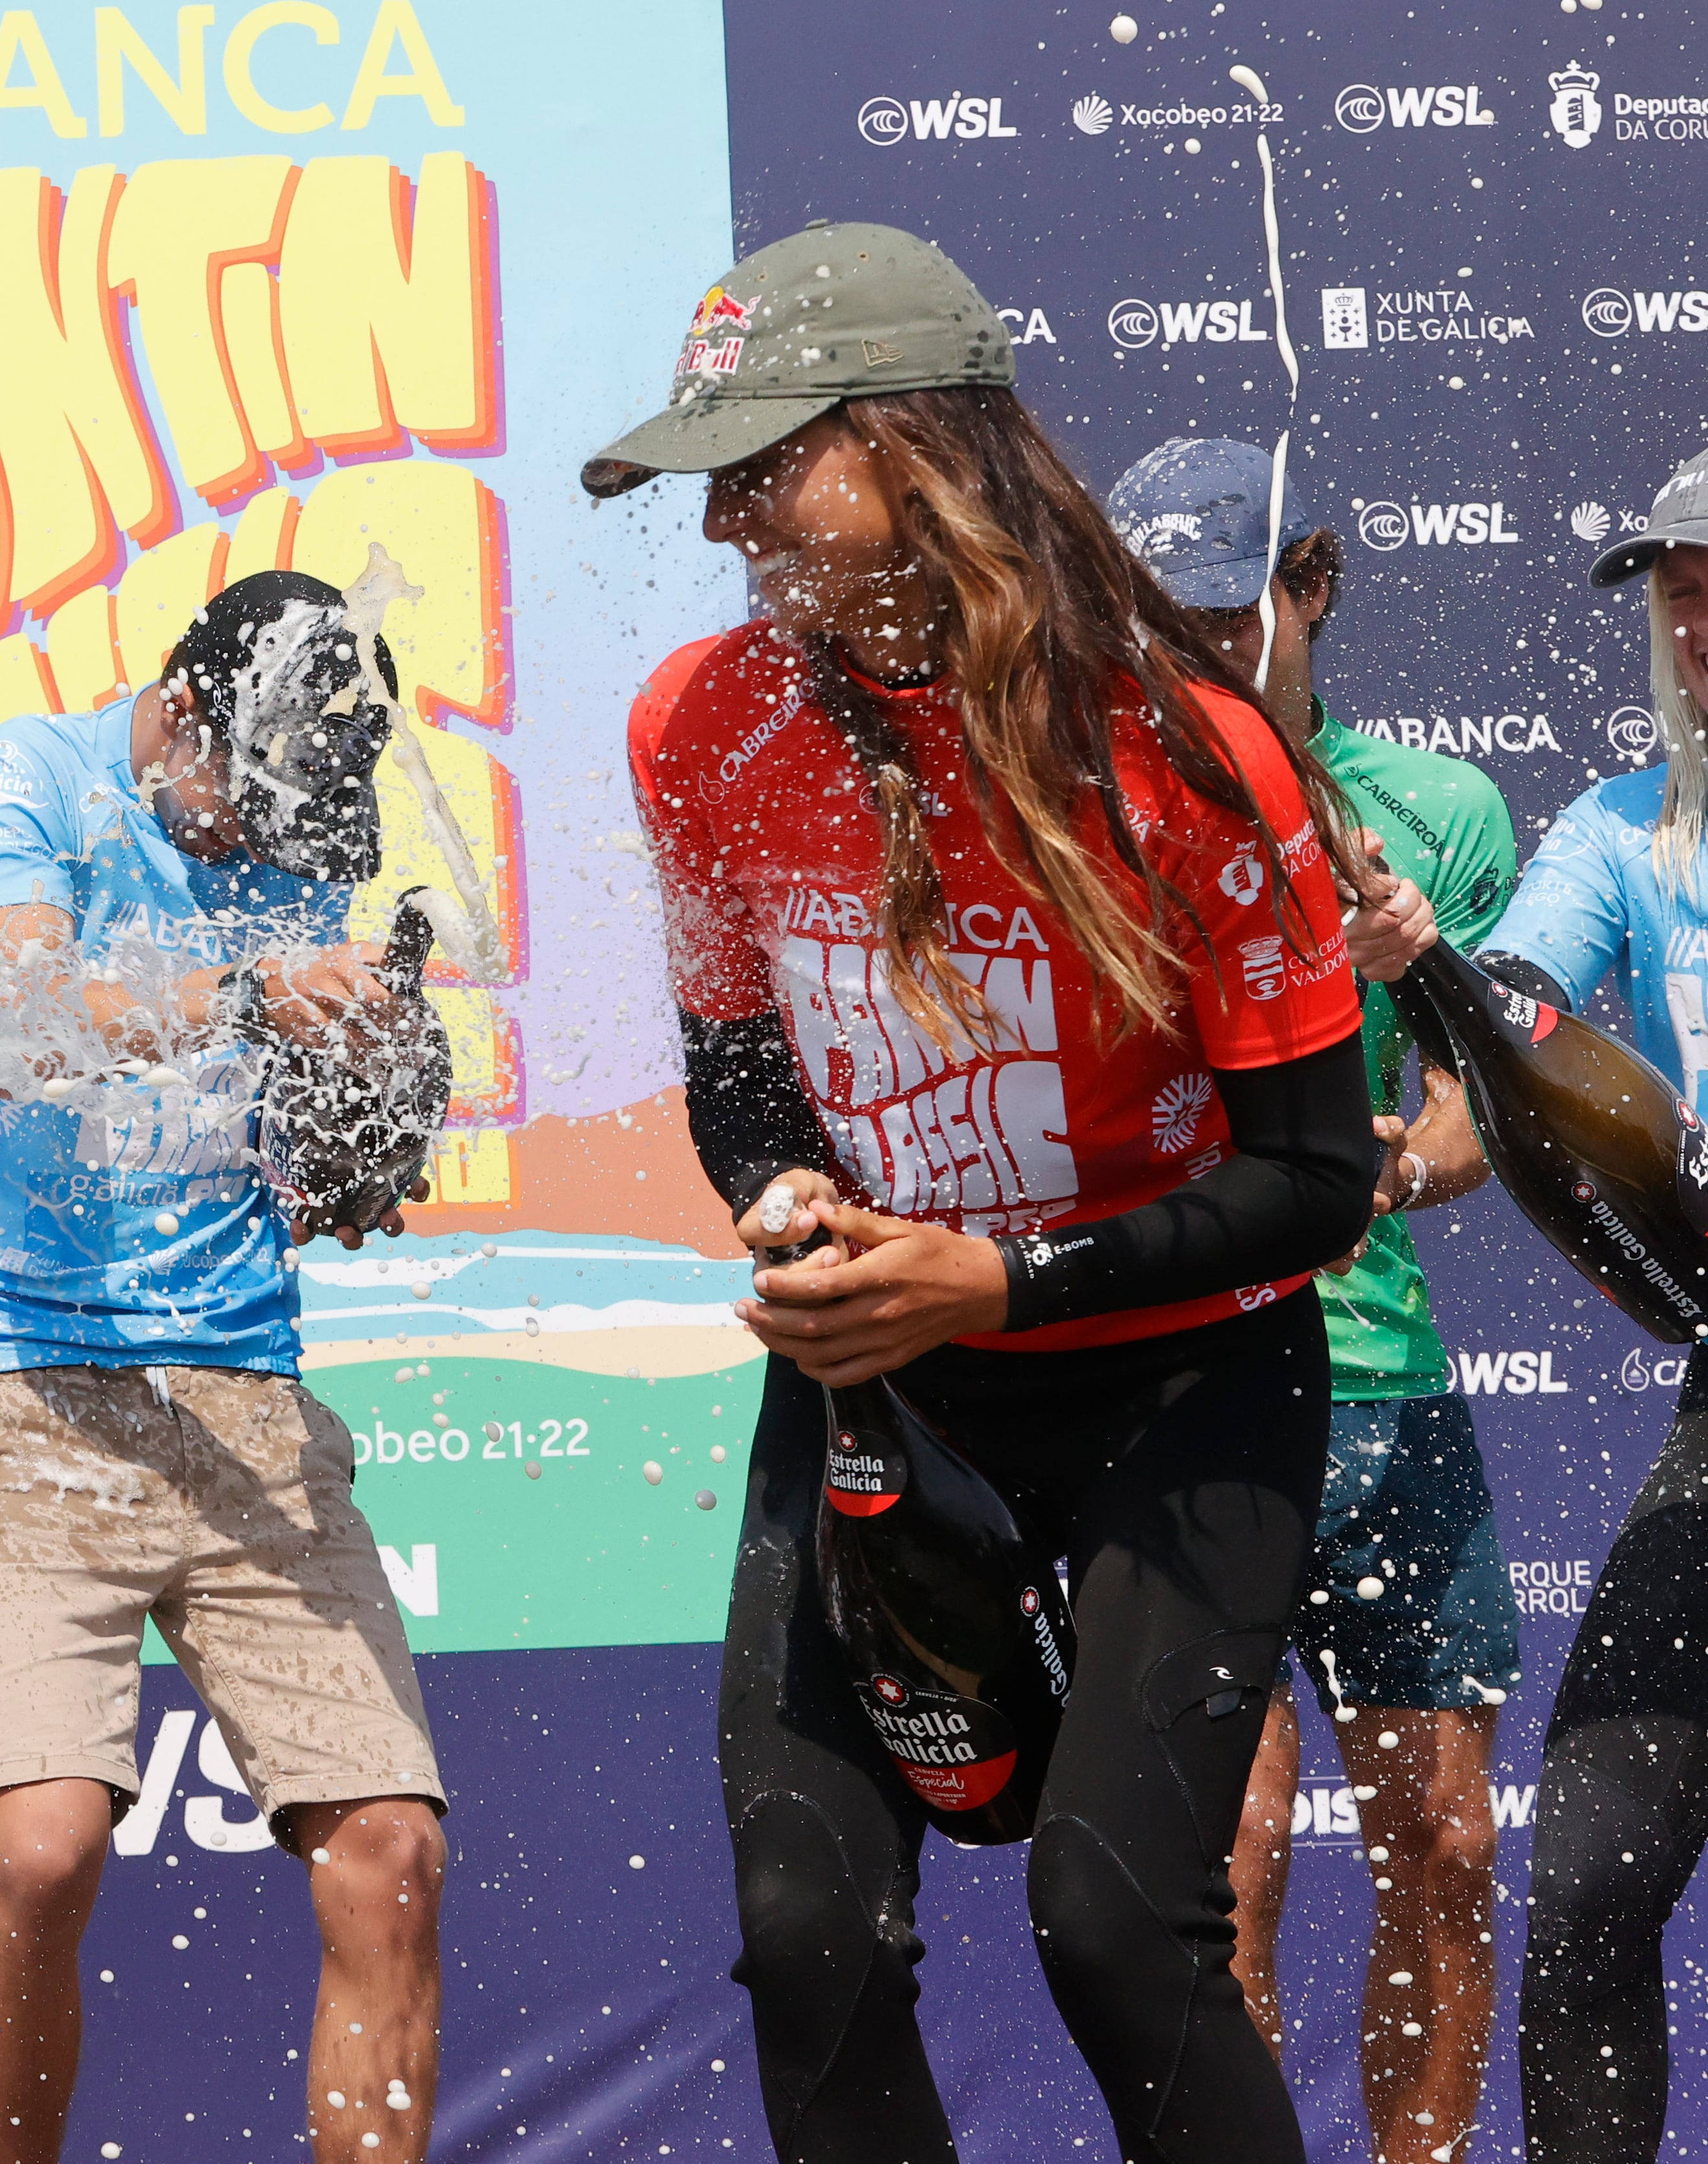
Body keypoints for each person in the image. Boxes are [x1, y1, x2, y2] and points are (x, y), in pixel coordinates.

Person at [597, 223, 1383, 2164]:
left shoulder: (1187, 749)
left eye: (766, 465)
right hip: (890, 1377)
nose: (725, 527)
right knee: (809, 1937)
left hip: (1185, 1380)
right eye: (710, 478)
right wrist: (796, 1212)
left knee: (1116, 1925)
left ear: (922, 449)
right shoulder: (700, 724)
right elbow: (743, 1076)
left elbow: (1315, 1181)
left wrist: (997, 1280)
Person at [0, 568, 450, 2164]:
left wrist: (364, 1141)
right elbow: (14, 1016)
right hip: (26, 1377)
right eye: (234, 798)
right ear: (177, 711)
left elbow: (316, 1149)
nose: (252, 841)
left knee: (390, 1847)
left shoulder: (305, 826)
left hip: (248, 1388)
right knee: (40, 1842)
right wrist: (244, 985)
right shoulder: (33, 775)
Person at [1106, 439, 1522, 2164]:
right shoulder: (1094, 805)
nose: (1202, 657)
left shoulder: (1435, 815)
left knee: (1446, 1837)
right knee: (1229, 1861)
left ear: (1314, 586)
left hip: (1385, 1388)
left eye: (1230, 616)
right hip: (1182, 1387)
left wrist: (1384, 1165)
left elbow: (1481, 1112)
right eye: (1167, 626)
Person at [1459, 444, 1708, 2164]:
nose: (1696, 626)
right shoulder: (1623, 830)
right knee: (1601, 1865)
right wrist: (1445, 987)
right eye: (1679, 599)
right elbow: (1519, 1000)